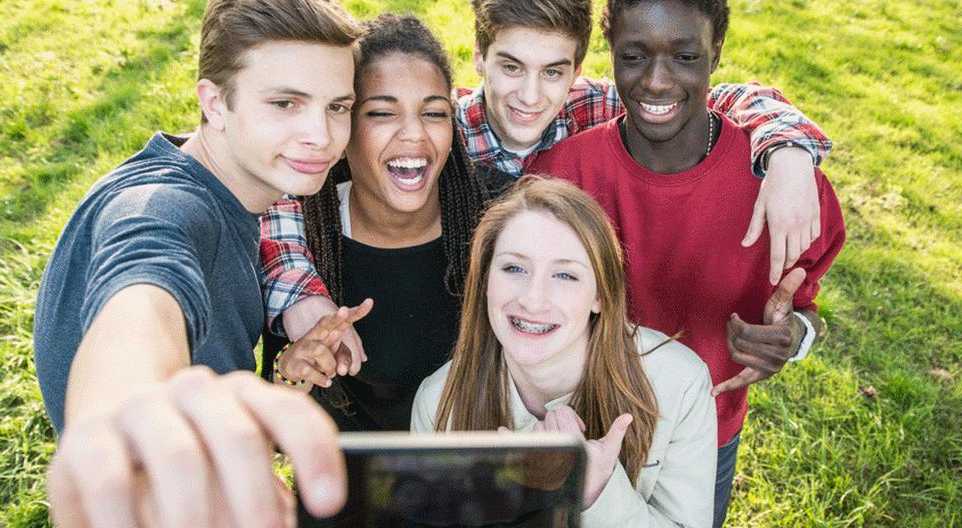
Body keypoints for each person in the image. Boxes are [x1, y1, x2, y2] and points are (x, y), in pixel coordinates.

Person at [262, 0, 836, 380]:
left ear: (581, 69)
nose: (531, 97)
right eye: (510, 67)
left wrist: (786, 151)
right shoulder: (438, 127)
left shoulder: (596, 108)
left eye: (553, 72)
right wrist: (297, 292)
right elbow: (292, 179)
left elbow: (715, 101)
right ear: (480, 58)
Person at [32, 1, 366, 528]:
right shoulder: (163, 209)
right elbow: (140, 297)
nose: (322, 135)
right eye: (285, 103)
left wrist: (285, 375)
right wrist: (130, 408)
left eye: (337, 106)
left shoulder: (231, 194)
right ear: (214, 102)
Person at [527, 0, 846, 528]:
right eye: (634, 56)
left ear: (716, 53)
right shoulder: (562, 175)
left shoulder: (784, 188)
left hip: (707, 437)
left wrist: (791, 338)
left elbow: (806, 307)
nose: (656, 80)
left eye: (685, 55)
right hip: (577, 423)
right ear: (611, 54)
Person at [412, 175, 717, 528]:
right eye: (514, 268)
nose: (534, 300)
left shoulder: (679, 383)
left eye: (565, 275)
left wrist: (597, 492)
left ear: (600, 296)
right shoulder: (439, 401)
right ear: (485, 281)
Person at [265, 14, 489, 433]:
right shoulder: (303, 234)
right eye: (383, 113)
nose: (413, 134)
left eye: (434, 113)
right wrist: (294, 368)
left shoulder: (492, 220)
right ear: (344, 126)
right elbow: (277, 412)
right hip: (348, 487)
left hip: (475, 483)